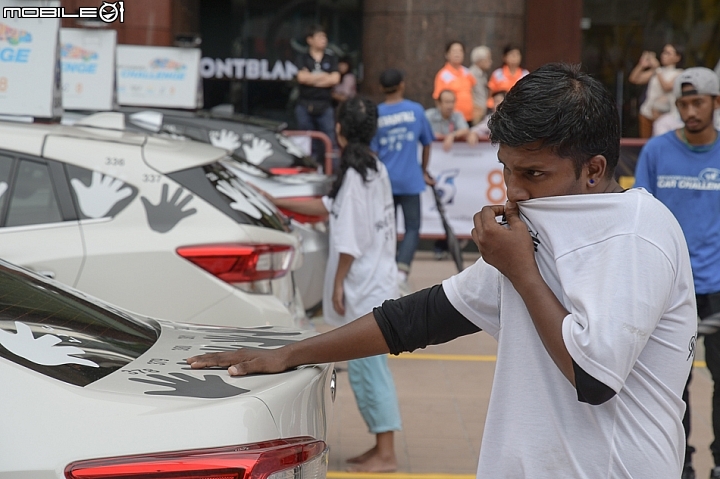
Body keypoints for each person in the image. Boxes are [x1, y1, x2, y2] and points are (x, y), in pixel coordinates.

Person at [187, 64, 697, 478]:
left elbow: (593, 376)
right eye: (506, 169)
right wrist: (290, 355)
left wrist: (520, 269)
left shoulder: (637, 231)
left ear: (594, 170)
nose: (513, 190)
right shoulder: (540, 230)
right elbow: (419, 318)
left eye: (533, 174)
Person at [264, 96, 402, 473]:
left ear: (338, 130)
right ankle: (380, 444)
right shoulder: (370, 168)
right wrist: (276, 201)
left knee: (369, 369)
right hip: (375, 280)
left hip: (364, 285)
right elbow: (329, 206)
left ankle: (386, 451)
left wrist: (338, 285)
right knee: (366, 369)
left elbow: (349, 241)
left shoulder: (357, 174)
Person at [634, 66, 720, 479]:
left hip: (718, 289)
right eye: (683, 103)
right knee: (672, 389)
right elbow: (639, 217)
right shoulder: (656, 151)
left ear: (715, 103)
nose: (689, 110)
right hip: (670, 291)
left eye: (697, 102)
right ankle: (680, 468)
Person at [369, 68, 435, 295]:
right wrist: (423, 170)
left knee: (385, 227)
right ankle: (401, 272)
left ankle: (384, 272)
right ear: (402, 85)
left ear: (381, 88)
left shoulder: (377, 114)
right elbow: (427, 143)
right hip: (410, 179)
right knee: (412, 227)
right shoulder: (416, 111)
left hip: (384, 181)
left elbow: (373, 151)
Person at [294, 24, 340, 169]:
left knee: (329, 138)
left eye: (325, 37)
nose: (323, 40)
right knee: (306, 140)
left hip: (325, 105)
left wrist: (312, 78)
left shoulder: (331, 58)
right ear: (310, 40)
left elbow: (335, 79)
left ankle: (331, 170)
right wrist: (324, 78)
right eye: (320, 37)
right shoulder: (302, 58)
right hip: (305, 104)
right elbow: (301, 78)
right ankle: (309, 169)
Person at [629, 44, 684, 138]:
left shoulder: (679, 73)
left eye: (668, 53)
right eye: (663, 52)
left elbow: (666, 87)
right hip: (647, 113)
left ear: (677, 57)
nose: (663, 55)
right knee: (646, 143)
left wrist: (657, 69)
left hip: (666, 115)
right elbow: (634, 79)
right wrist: (642, 64)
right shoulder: (656, 71)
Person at [433, 41, 476, 123]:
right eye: (454, 51)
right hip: (452, 119)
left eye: (460, 51)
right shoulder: (443, 75)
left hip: (469, 117)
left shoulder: (467, 72)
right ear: (447, 54)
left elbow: (473, 91)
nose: (457, 54)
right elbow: (437, 98)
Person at [486, 44, 528, 112]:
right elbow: (490, 94)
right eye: (512, 54)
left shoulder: (525, 74)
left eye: (517, 55)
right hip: (499, 108)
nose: (514, 57)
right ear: (504, 57)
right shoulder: (498, 74)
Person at [469, 45, 493, 124]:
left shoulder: (483, 74)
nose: (491, 62)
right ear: (480, 60)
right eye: (488, 59)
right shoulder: (471, 74)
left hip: (483, 110)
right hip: (475, 111)